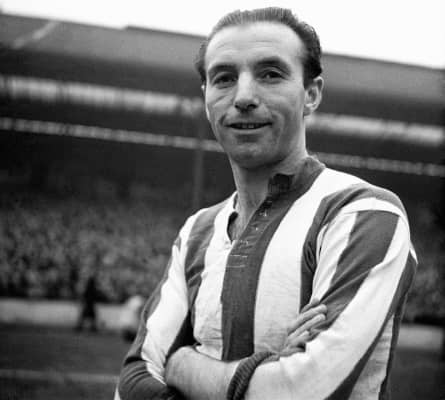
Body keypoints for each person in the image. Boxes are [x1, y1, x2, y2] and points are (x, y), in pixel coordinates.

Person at [115, 7, 417, 400]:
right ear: (206, 97)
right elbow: (132, 381)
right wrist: (265, 373)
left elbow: (304, 390)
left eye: (270, 74)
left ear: (311, 94)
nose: (243, 97)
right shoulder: (196, 233)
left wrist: (183, 364)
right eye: (224, 78)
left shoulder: (363, 213)